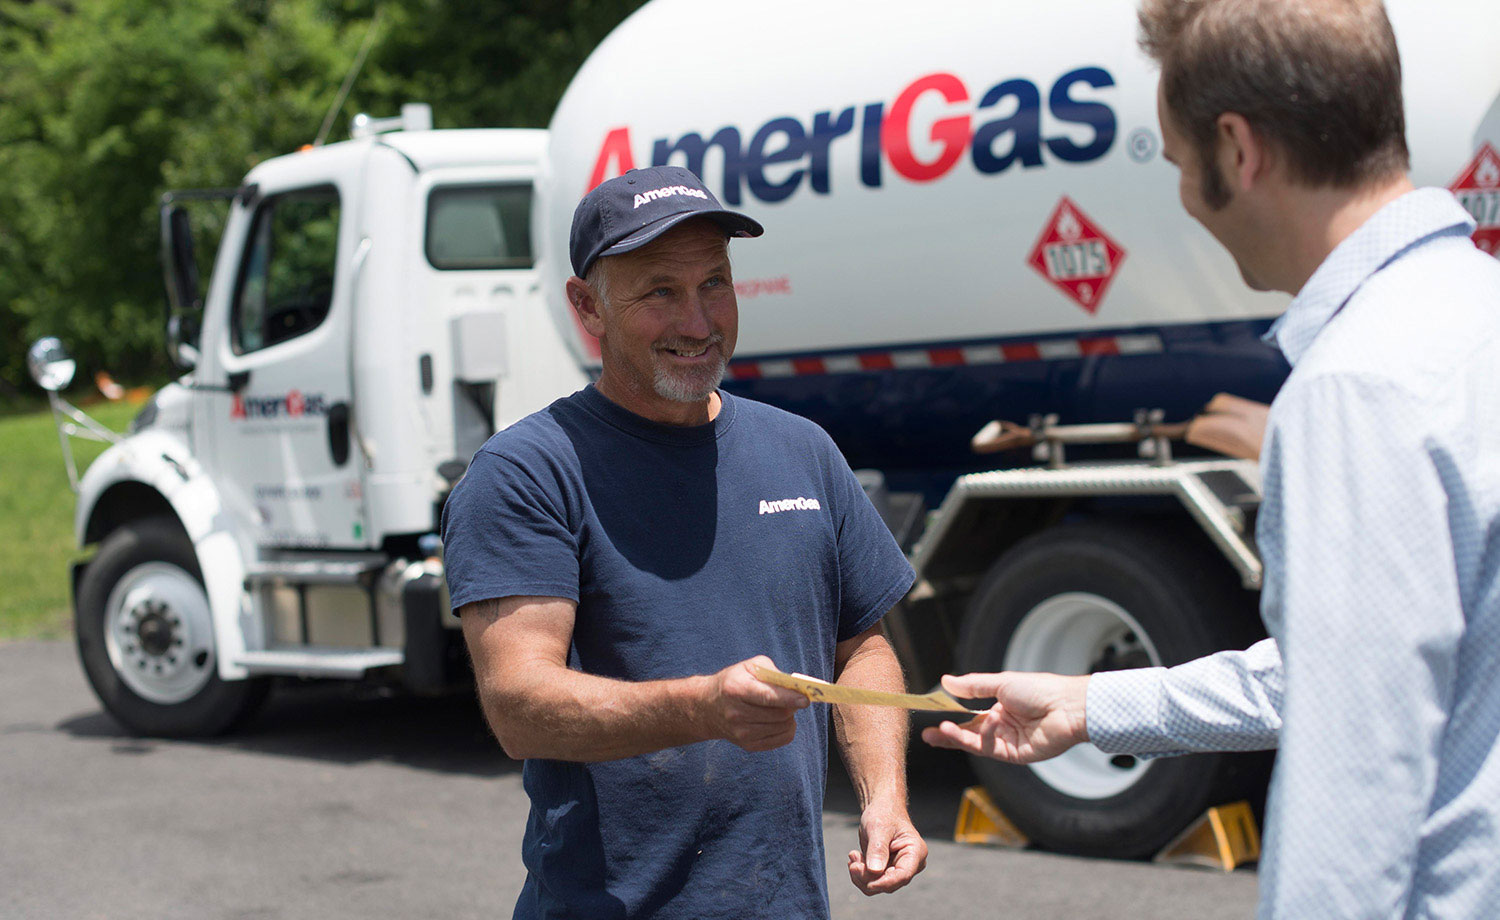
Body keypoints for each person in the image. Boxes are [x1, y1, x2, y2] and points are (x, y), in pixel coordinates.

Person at [924, 1, 1500, 916]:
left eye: (1183, 165)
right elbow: (1362, 668)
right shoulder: (1472, 316)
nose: (1188, 198)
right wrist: (1091, 706)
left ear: (1240, 149)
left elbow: (1353, 785)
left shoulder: (1359, 383)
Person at [442, 164, 927, 919]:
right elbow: (519, 704)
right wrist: (701, 707)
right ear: (587, 306)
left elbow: (859, 647)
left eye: (715, 284)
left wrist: (885, 797)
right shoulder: (527, 473)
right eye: (660, 291)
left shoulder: (801, 451)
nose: (698, 322)